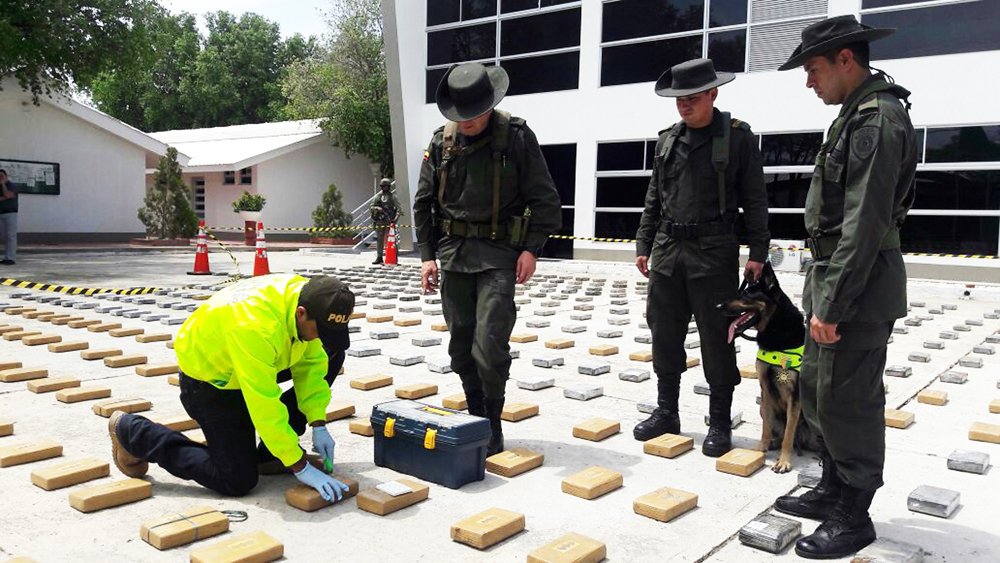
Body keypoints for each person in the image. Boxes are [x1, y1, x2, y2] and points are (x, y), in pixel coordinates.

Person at [773, 16, 917, 559]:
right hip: (834, 280)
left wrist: (832, 303)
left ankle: (854, 515)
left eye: (813, 70)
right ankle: (833, 487)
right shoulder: (853, 116)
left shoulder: (876, 121)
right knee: (819, 389)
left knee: (849, 400)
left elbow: (865, 221)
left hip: (855, 289)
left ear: (845, 61)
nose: (810, 82)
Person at [413, 63, 562, 455]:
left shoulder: (515, 136)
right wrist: (427, 256)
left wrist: (532, 247)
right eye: (460, 116)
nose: (467, 123)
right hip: (454, 257)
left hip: (499, 257)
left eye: (474, 115)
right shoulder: (441, 142)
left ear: (490, 105)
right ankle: (475, 413)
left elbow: (544, 198)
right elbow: (423, 203)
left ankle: (492, 422)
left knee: (489, 343)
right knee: (460, 344)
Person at [108, 274, 356, 502]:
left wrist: (318, 421)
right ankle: (132, 432)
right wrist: (299, 465)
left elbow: (311, 365)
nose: (319, 337)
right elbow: (263, 402)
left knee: (332, 354)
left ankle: (271, 455)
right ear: (301, 314)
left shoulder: (311, 296)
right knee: (237, 479)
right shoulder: (255, 326)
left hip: (252, 359)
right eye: (318, 330)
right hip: (211, 379)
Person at [633, 58, 770, 457]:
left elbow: (756, 199)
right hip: (667, 252)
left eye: (692, 98)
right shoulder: (667, 140)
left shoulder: (738, 139)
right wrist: (644, 243)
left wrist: (758, 251)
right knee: (664, 332)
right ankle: (666, 412)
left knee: (716, 338)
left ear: (713, 94)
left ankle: (720, 421)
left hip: (714, 254)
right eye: (679, 99)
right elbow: (654, 196)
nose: (684, 105)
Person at [370, 178, 403, 264]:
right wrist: (377, 208)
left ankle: (394, 257)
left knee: (392, 239)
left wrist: (395, 220)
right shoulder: (378, 196)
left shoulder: (393, 197)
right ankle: (379, 257)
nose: (384, 188)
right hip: (380, 220)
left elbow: (399, 210)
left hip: (390, 221)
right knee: (379, 239)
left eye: (386, 186)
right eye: (383, 186)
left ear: (389, 187)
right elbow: (372, 206)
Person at [0, 169, 17, 265]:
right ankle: (6, 257)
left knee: (11, 236)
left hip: (11, 213)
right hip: (1, 213)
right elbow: (5, 197)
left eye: (2, 176)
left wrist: (3, 184)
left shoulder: (11, 185)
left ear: (6, 176)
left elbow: (8, 194)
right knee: (4, 236)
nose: (0, 178)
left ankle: (11, 258)